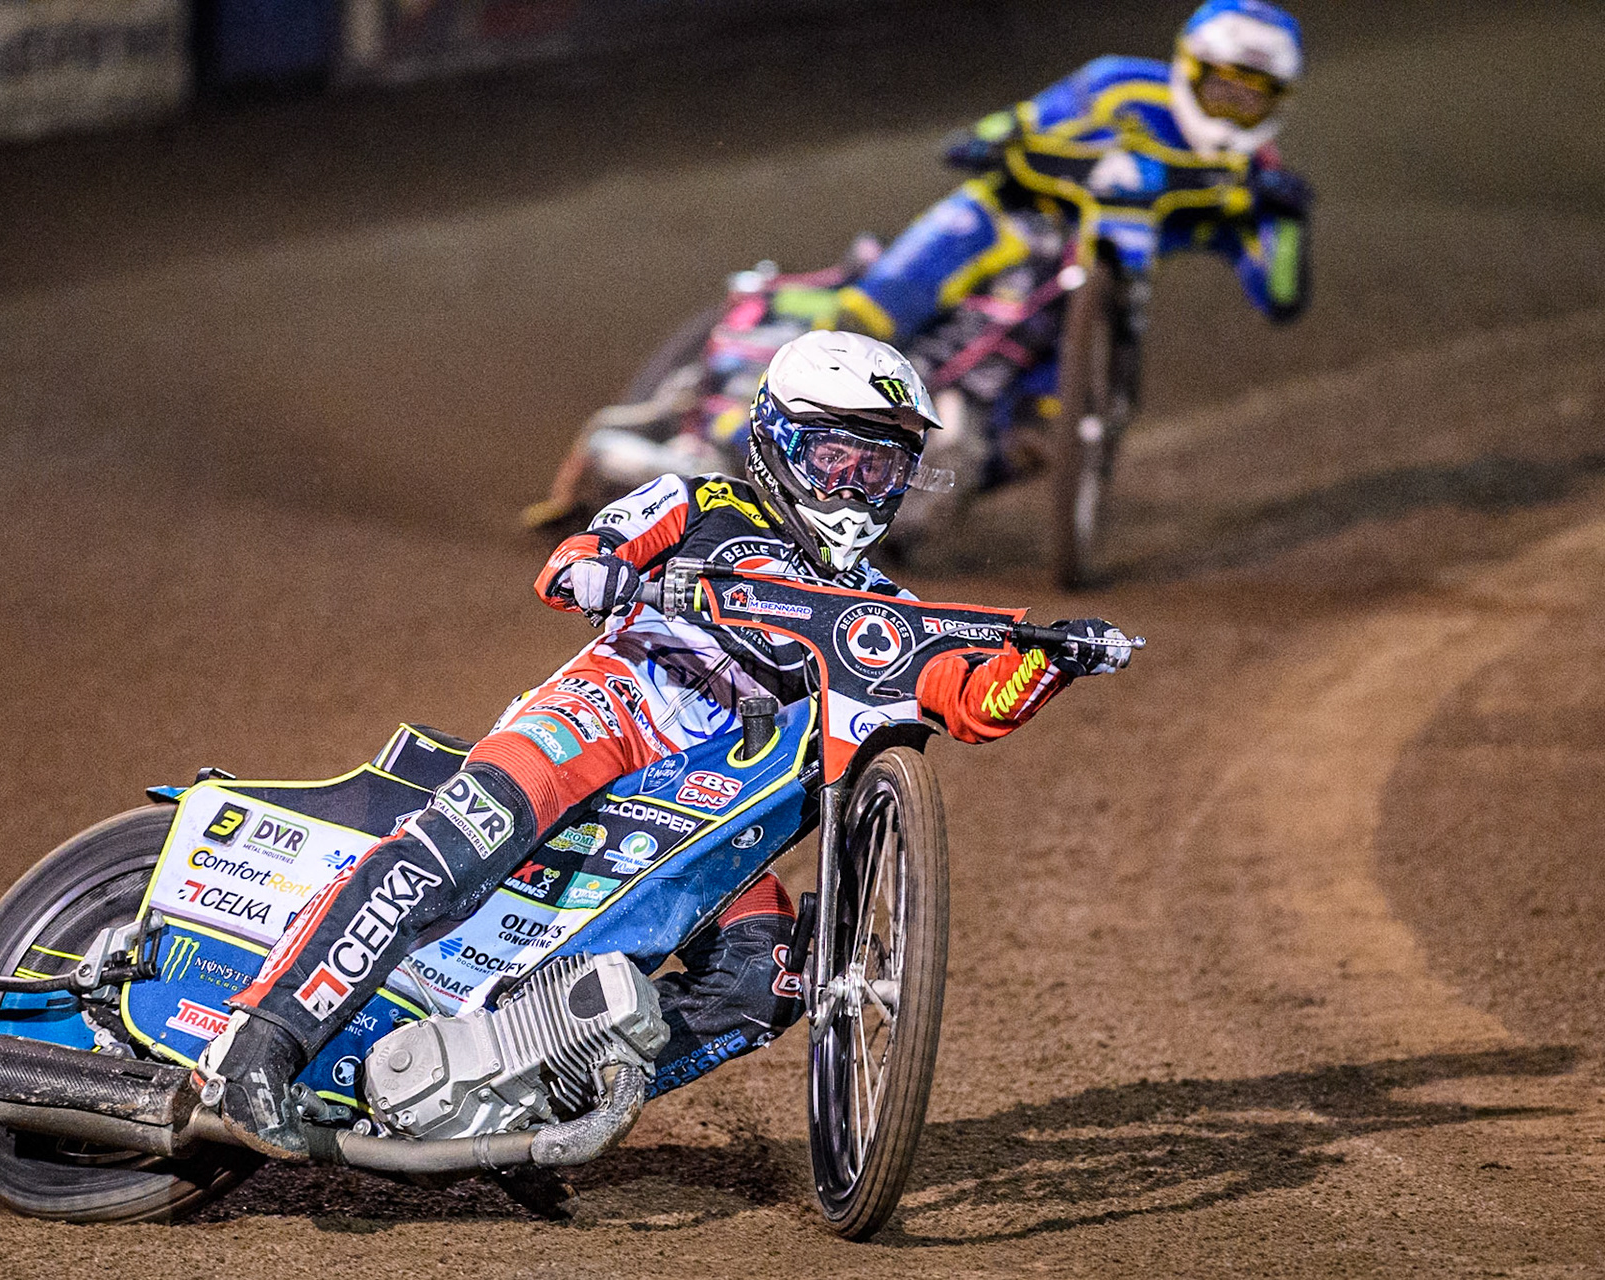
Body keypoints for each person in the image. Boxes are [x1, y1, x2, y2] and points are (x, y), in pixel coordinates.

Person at [195, 331, 1134, 1160]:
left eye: (879, 470)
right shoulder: (696, 500)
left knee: (765, 981)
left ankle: (528, 1100)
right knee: (453, 850)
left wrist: (1047, 664)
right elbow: (570, 563)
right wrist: (610, 576)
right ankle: (259, 1044)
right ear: (777, 442)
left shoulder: (886, 609)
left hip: (705, 806)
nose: (855, 488)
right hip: (600, 719)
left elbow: (967, 701)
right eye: (835, 459)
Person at [835, 0, 1311, 487]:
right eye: (1222, 89)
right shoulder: (1120, 84)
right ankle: (775, 414)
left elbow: (1278, 295)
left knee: (1033, 437)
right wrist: (986, 139)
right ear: (1190, 68)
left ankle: (954, 466)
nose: (1233, 108)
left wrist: (1288, 223)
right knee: (871, 312)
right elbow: (1026, 119)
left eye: (1252, 98)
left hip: (1089, 298)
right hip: (1018, 214)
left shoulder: (1257, 175)